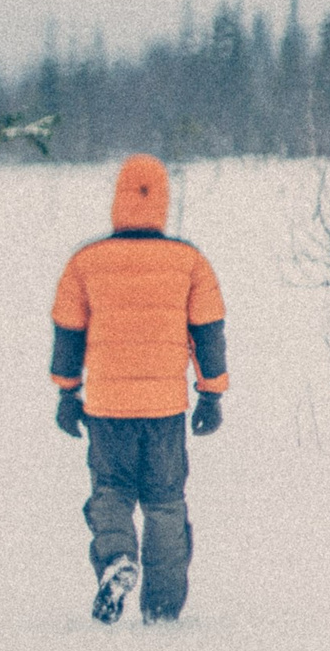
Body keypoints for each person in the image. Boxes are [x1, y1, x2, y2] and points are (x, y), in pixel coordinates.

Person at [49, 154, 228, 623]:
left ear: (118, 201)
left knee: (110, 491)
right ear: (162, 203)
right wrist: (211, 394)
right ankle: (163, 608)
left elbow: (68, 331)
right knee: (166, 503)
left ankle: (116, 560)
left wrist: (67, 393)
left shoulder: (86, 262)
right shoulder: (189, 262)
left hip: (108, 408)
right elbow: (208, 331)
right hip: (165, 408)